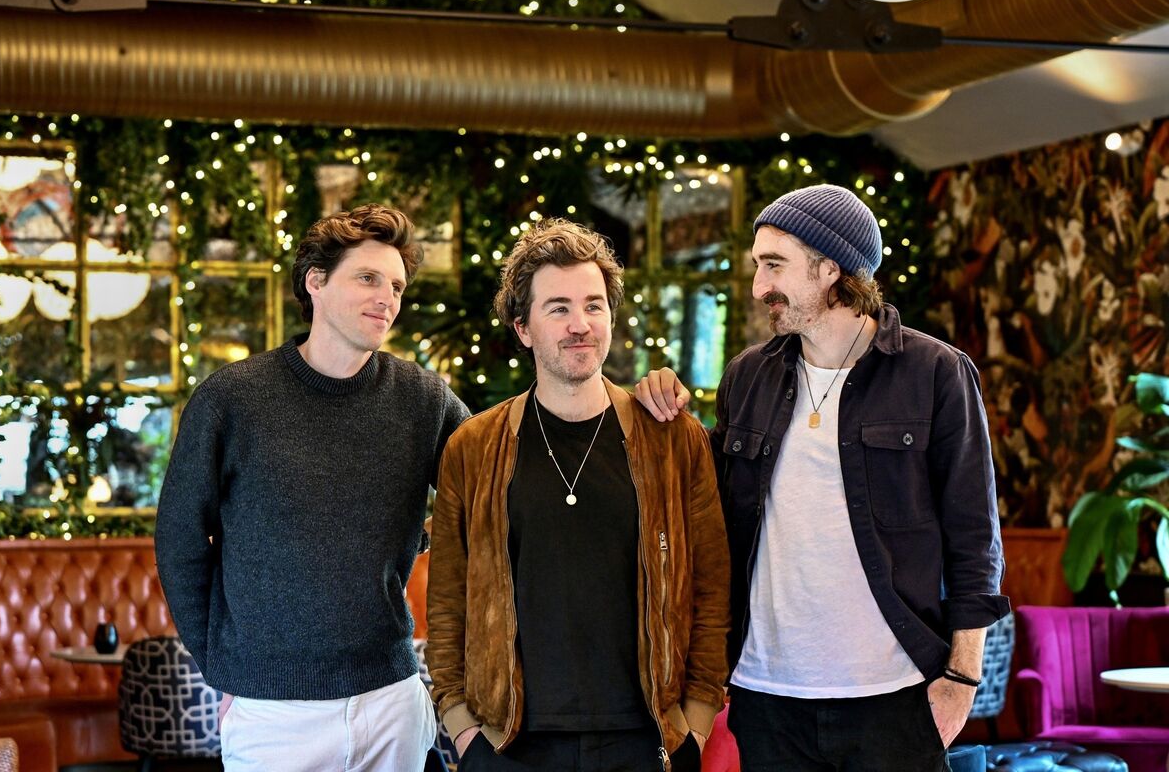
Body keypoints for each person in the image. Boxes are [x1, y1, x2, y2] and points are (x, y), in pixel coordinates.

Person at [635, 184, 1009, 771]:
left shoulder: (936, 373)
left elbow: (975, 541)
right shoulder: (746, 377)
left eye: (774, 265)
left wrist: (961, 679)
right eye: (759, 266)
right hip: (767, 697)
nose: (760, 286)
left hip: (895, 696)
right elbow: (705, 513)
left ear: (829, 268)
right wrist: (661, 413)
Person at [155, 204, 470, 772]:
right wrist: (219, 668)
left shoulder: (424, 399)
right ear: (316, 282)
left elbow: (497, 484)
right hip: (273, 713)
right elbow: (178, 541)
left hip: (389, 698)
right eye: (368, 278)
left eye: (397, 285)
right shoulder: (233, 399)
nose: (388, 298)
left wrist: (628, 407)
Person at [425, 219, 730, 772]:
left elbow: (710, 588)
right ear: (523, 328)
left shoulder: (671, 438)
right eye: (558, 308)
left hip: (648, 741)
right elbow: (448, 602)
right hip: (510, 742)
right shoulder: (474, 447)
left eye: (594, 306)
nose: (580, 325)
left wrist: (697, 724)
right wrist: (465, 733)